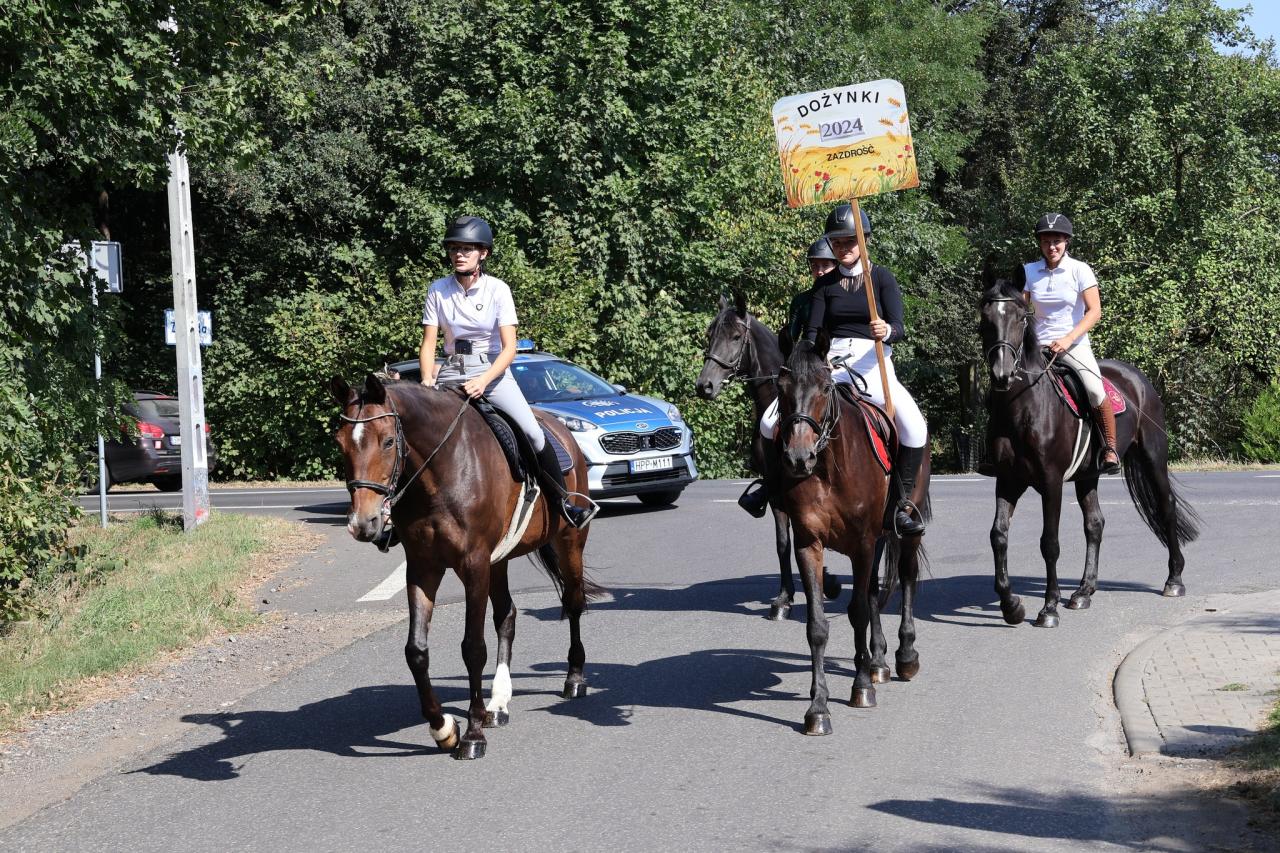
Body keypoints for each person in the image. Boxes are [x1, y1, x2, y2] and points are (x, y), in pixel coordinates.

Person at [760, 204, 929, 535]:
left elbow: (899, 327)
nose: (843, 248)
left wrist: (887, 330)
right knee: (769, 422)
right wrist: (808, 361)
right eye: (837, 243)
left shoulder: (881, 278)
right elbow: (812, 334)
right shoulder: (825, 284)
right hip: (832, 363)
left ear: (864, 240)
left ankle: (900, 507)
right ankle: (772, 488)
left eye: (850, 241)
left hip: (874, 362)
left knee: (915, 428)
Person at [419, 215, 594, 528]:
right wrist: (427, 380)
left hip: (491, 371)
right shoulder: (437, 289)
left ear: (483, 253)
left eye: (467, 249)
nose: (459, 254)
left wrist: (483, 381)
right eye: (454, 248)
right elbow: (428, 343)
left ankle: (564, 502)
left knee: (532, 432)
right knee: (417, 431)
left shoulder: (498, 290)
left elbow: (510, 348)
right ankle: (396, 515)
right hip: (452, 370)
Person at [737, 236, 839, 517]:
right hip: (807, 369)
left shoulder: (845, 294)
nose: (820, 271)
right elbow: (791, 341)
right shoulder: (802, 301)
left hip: (842, 361)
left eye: (826, 265)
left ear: (836, 266)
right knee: (768, 421)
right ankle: (770, 484)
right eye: (815, 266)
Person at [1023, 212, 1120, 474]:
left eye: (1056, 241)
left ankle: (1109, 447)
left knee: (1094, 389)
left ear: (1066, 241)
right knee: (1005, 384)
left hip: (1073, 345)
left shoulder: (1080, 269)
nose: (1051, 247)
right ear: (1039, 243)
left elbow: (1094, 311)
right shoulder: (1029, 271)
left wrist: (1068, 339)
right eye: (1046, 241)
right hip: (1037, 348)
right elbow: (1019, 309)